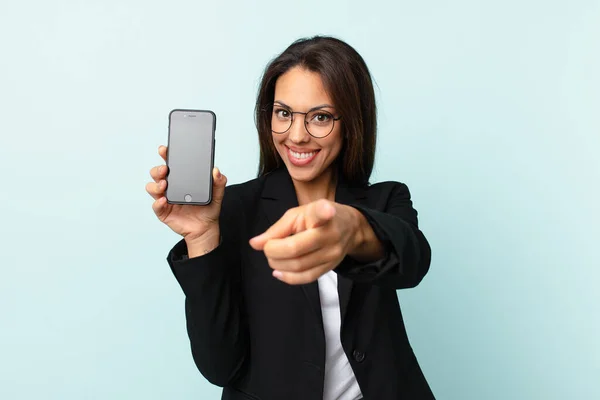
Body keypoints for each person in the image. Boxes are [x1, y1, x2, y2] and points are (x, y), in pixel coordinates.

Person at [146, 36, 435, 400]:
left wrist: (353, 229)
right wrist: (202, 238)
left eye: (320, 117)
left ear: (353, 123)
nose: (296, 136)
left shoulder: (385, 199)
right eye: (283, 113)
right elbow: (218, 366)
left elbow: (413, 262)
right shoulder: (233, 209)